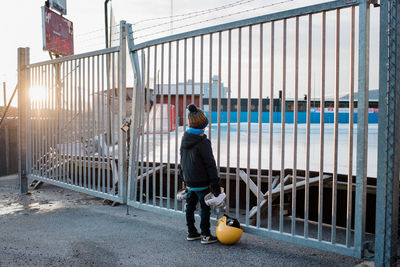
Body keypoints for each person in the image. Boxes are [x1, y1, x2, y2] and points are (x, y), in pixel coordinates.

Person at [180, 103, 221, 244]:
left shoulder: (185, 139)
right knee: (205, 208)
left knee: (190, 207)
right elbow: (210, 164)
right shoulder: (203, 142)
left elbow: (182, 161)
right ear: (203, 124)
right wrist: (215, 185)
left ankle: (191, 232)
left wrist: (185, 181)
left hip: (190, 182)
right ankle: (206, 235)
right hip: (202, 182)